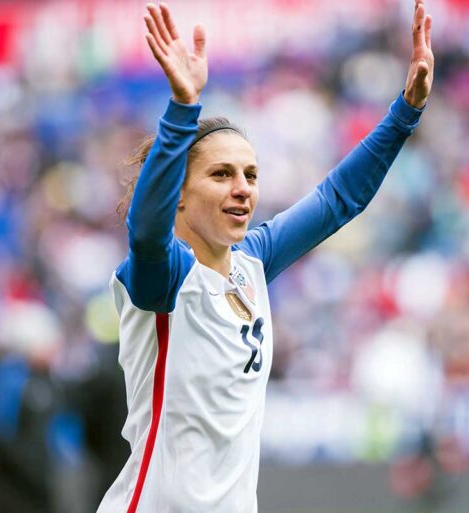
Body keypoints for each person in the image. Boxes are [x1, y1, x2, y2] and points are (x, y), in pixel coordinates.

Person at [98, 2, 434, 512]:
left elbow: (337, 200)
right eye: (221, 174)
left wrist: (405, 111)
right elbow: (145, 231)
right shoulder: (164, 278)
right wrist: (182, 110)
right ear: (178, 195)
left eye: (251, 176)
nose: (242, 190)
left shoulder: (251, 262)